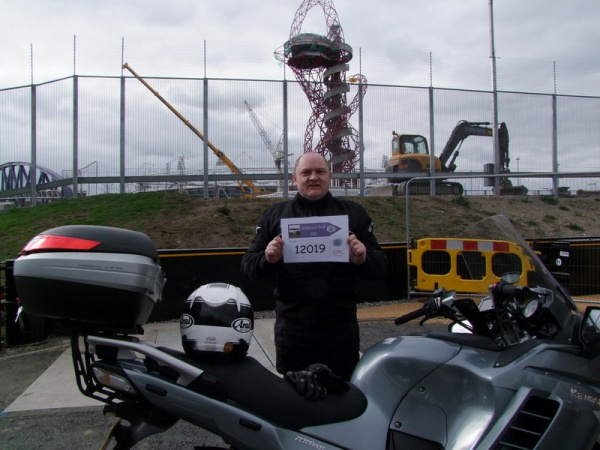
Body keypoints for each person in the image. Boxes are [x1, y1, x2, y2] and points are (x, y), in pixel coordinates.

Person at [240, 152, 387, 381]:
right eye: (306, 172)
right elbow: (249, 267)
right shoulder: (274, 215)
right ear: (294, 179)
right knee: (297, 402)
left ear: (330, 176)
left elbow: (379, 267)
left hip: (340, 331)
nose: (313, 177)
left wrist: (363, 259)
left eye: (320, 171)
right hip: (293, 332)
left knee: (342, 397)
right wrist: (267, 258)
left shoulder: (353, 213)